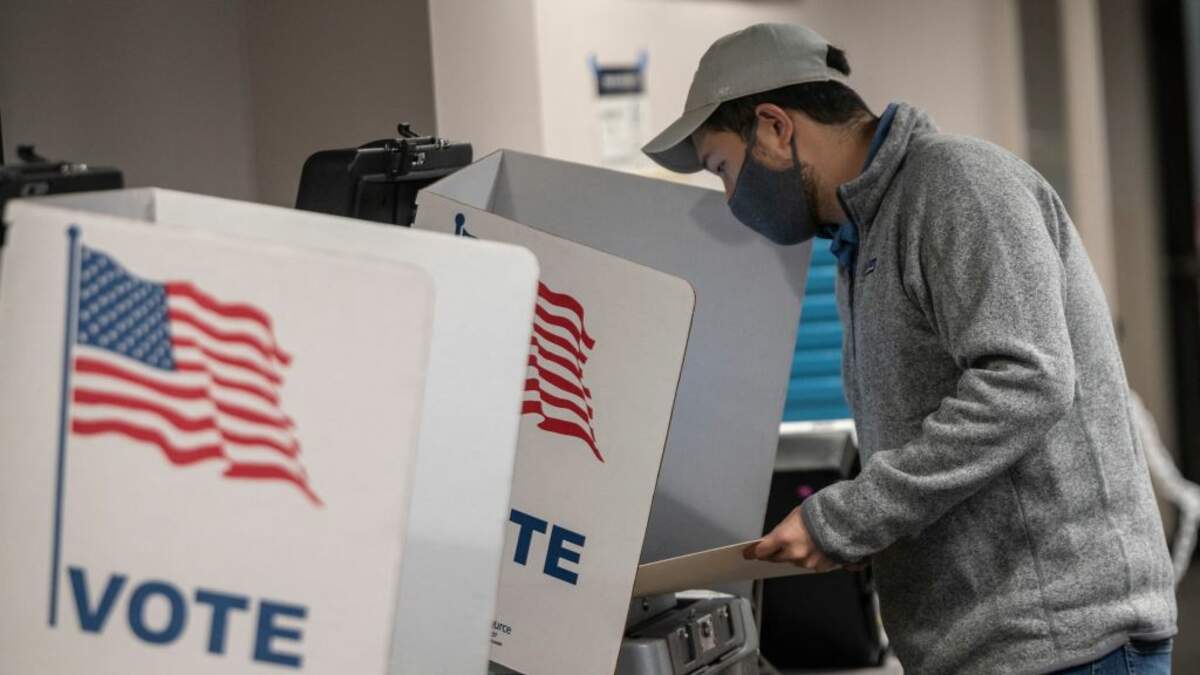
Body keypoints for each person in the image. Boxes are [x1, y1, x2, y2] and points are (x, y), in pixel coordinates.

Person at [642, 23, 1177, 675]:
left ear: (775, 127)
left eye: (722, 169)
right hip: (991, 646)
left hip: (1061, 642)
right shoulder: (863, 240)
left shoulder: (956, 184)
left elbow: (1027, 379)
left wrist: (853, 516)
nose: (731, 197)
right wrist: (871, 529)